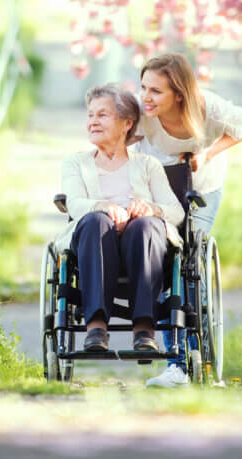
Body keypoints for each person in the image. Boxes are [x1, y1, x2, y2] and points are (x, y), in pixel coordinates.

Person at [135, 52, 242, 387]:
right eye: (143, 87)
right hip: (157, 193)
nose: (146, 97)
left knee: (187, 264)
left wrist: (207, 153)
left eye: (155, 91)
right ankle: (175, 364)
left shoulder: (208, 108)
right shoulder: (140, 111)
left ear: (179, 94)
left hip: (200, 191)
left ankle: (195, 360)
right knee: (159, 263)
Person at [57, 84, 185, 353]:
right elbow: (75, 203)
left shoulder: (148, 165)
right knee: (96, 220)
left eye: (102, 115)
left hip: (141, 244)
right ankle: (96, 328)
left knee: (146, 225)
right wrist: (103, 206)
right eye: (90, 115)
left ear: (127, 123)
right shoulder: (75, 163)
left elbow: (176, 211)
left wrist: (151, 208)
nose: (93, 121)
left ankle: (144, 330)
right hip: (94, 241)